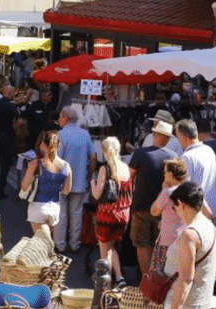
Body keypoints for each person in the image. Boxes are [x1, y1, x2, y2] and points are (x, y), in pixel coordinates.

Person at [128, 113, 178, 275]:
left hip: (141, 205)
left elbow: (129, 176)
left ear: (155, 135)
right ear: (168, 139)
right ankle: (155, 277)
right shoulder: (173, 157)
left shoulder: (141, 153)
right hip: (162, 208)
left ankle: (146, 280)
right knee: (157, 245)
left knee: (142, 244)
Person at [90, 137, 133, 286]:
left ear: (105, 151)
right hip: (123, 215)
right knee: (112, 247)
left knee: (104, 252)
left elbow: (96, 194)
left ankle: (105, 285)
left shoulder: (105, 169)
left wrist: (92, 183)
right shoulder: (126, 168)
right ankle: (119, 278)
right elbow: (129, 194)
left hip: (107, 216)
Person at [54, 105, 96, 253]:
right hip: (80, 180)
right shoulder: (85, 135)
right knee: (77, 212)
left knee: (61, 212)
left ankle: (60, 244)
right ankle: (75, 244)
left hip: (62, 180)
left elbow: (56, 159)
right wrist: (90, 176)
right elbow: (93, 157)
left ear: (65, 118)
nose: (59, 119)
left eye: (60, 116)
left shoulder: (60, 135)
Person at [20, 131, 72, 236]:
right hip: (55, 208)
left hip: (38, 208)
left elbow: (24, 186)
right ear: (58, 145)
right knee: (43, 243)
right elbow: (66, 190)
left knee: (45, 244)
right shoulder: (66, 166)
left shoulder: (36, 164)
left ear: (42, 145)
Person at [173, 119, 216, 219]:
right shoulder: (209, 150)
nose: (178, 140)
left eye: (178, 137)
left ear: (183, 137)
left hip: (196, 214)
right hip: (211, 210)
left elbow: (185, 188)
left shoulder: (187, 157)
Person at [0, 78, 21, 199]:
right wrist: (15, 128)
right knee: (5, 165)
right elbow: (19, 121)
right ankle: (0, 190)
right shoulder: (12, 107)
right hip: (7, 137)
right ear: (10, 93)